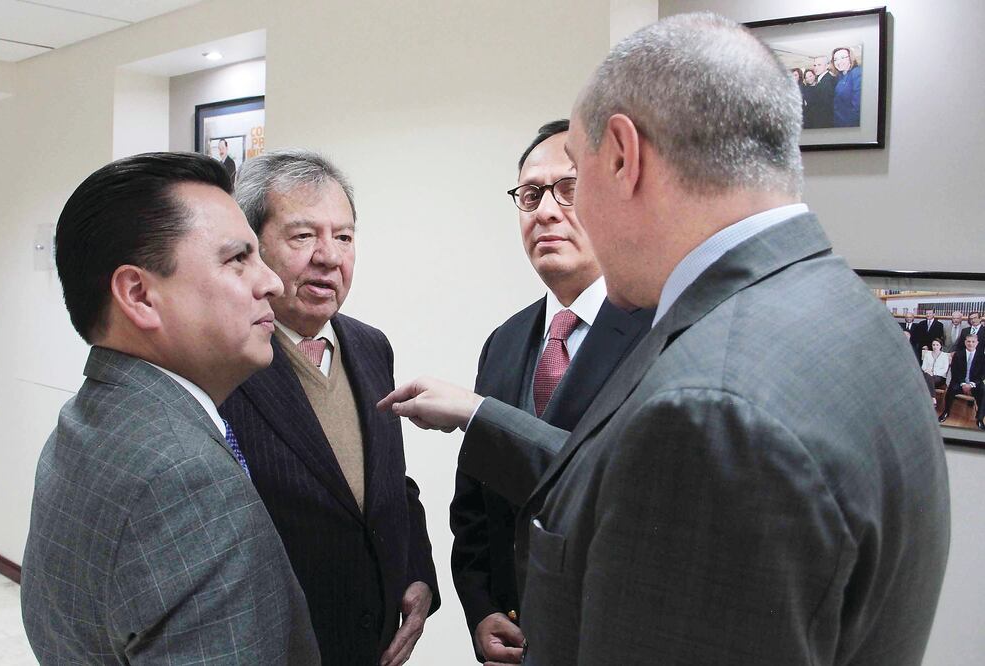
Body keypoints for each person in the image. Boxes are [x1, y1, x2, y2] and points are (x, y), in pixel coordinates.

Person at [380, 12, 949, 665]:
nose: (563, 211)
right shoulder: (844, 309)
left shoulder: (710, 415)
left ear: (622, 156)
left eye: (575, 177)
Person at [20, 152, 321, 664]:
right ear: (138, 294)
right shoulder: (185, 479)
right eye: (237, 259)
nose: (270, 282)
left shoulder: (87, 423)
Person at [220, 149, 438, 666]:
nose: (329, 256)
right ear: (251, 249)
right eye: (303, 236)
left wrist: (418, 572)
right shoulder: (225, 363)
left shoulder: (370, 346)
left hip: (374, 645)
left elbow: (391, 483)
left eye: (343, 236)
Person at [450, 119, 653, 664]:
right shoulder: (506, 341)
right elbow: (474, 506)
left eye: (568, 189)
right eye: (531, 194)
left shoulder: (658, 332)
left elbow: (628, 494)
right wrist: (480, 608)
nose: (545, 211)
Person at [939, 333, 985, 428]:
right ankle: (946, 412)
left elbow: (982, 374)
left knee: (983, 392)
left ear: (977, 343)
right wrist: (963, 383)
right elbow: (954, 371)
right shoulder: (958, 354)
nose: (970, 344)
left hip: (974, 383)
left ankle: (980, 419)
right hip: (960, 382)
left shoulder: (982, 356)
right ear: (965, 342)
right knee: (951, 389)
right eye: (968, 341)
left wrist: (971, 384)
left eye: (973, 342)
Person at [832, 47, 862, 127]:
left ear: (850, 58)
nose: (839, 62)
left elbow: (858, 107)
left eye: (842, 57)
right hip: (839, 121)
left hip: (849, 124)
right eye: (835, 59)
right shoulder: (841, 76)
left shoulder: (857, 73)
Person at [803, 54, 835, 129]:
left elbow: (826, 108)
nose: (816, 68)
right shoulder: (822, 79)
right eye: (815, 65)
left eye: (819, 65)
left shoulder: (827, 81)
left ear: (827, 66)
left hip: (823, 123)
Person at [921, 338, 951, 403]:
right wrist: (928, 371)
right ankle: (933, 398)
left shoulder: (945, 355)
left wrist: (933, 372)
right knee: (927, 376)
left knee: (926, 379)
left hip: (939, 377)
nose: (935, 346)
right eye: (933, 345)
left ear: (940, 346)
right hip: (927, 374)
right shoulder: (927, 354)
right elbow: (923, 367)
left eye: (937, 345)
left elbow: (944, 370)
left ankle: (929, 399)